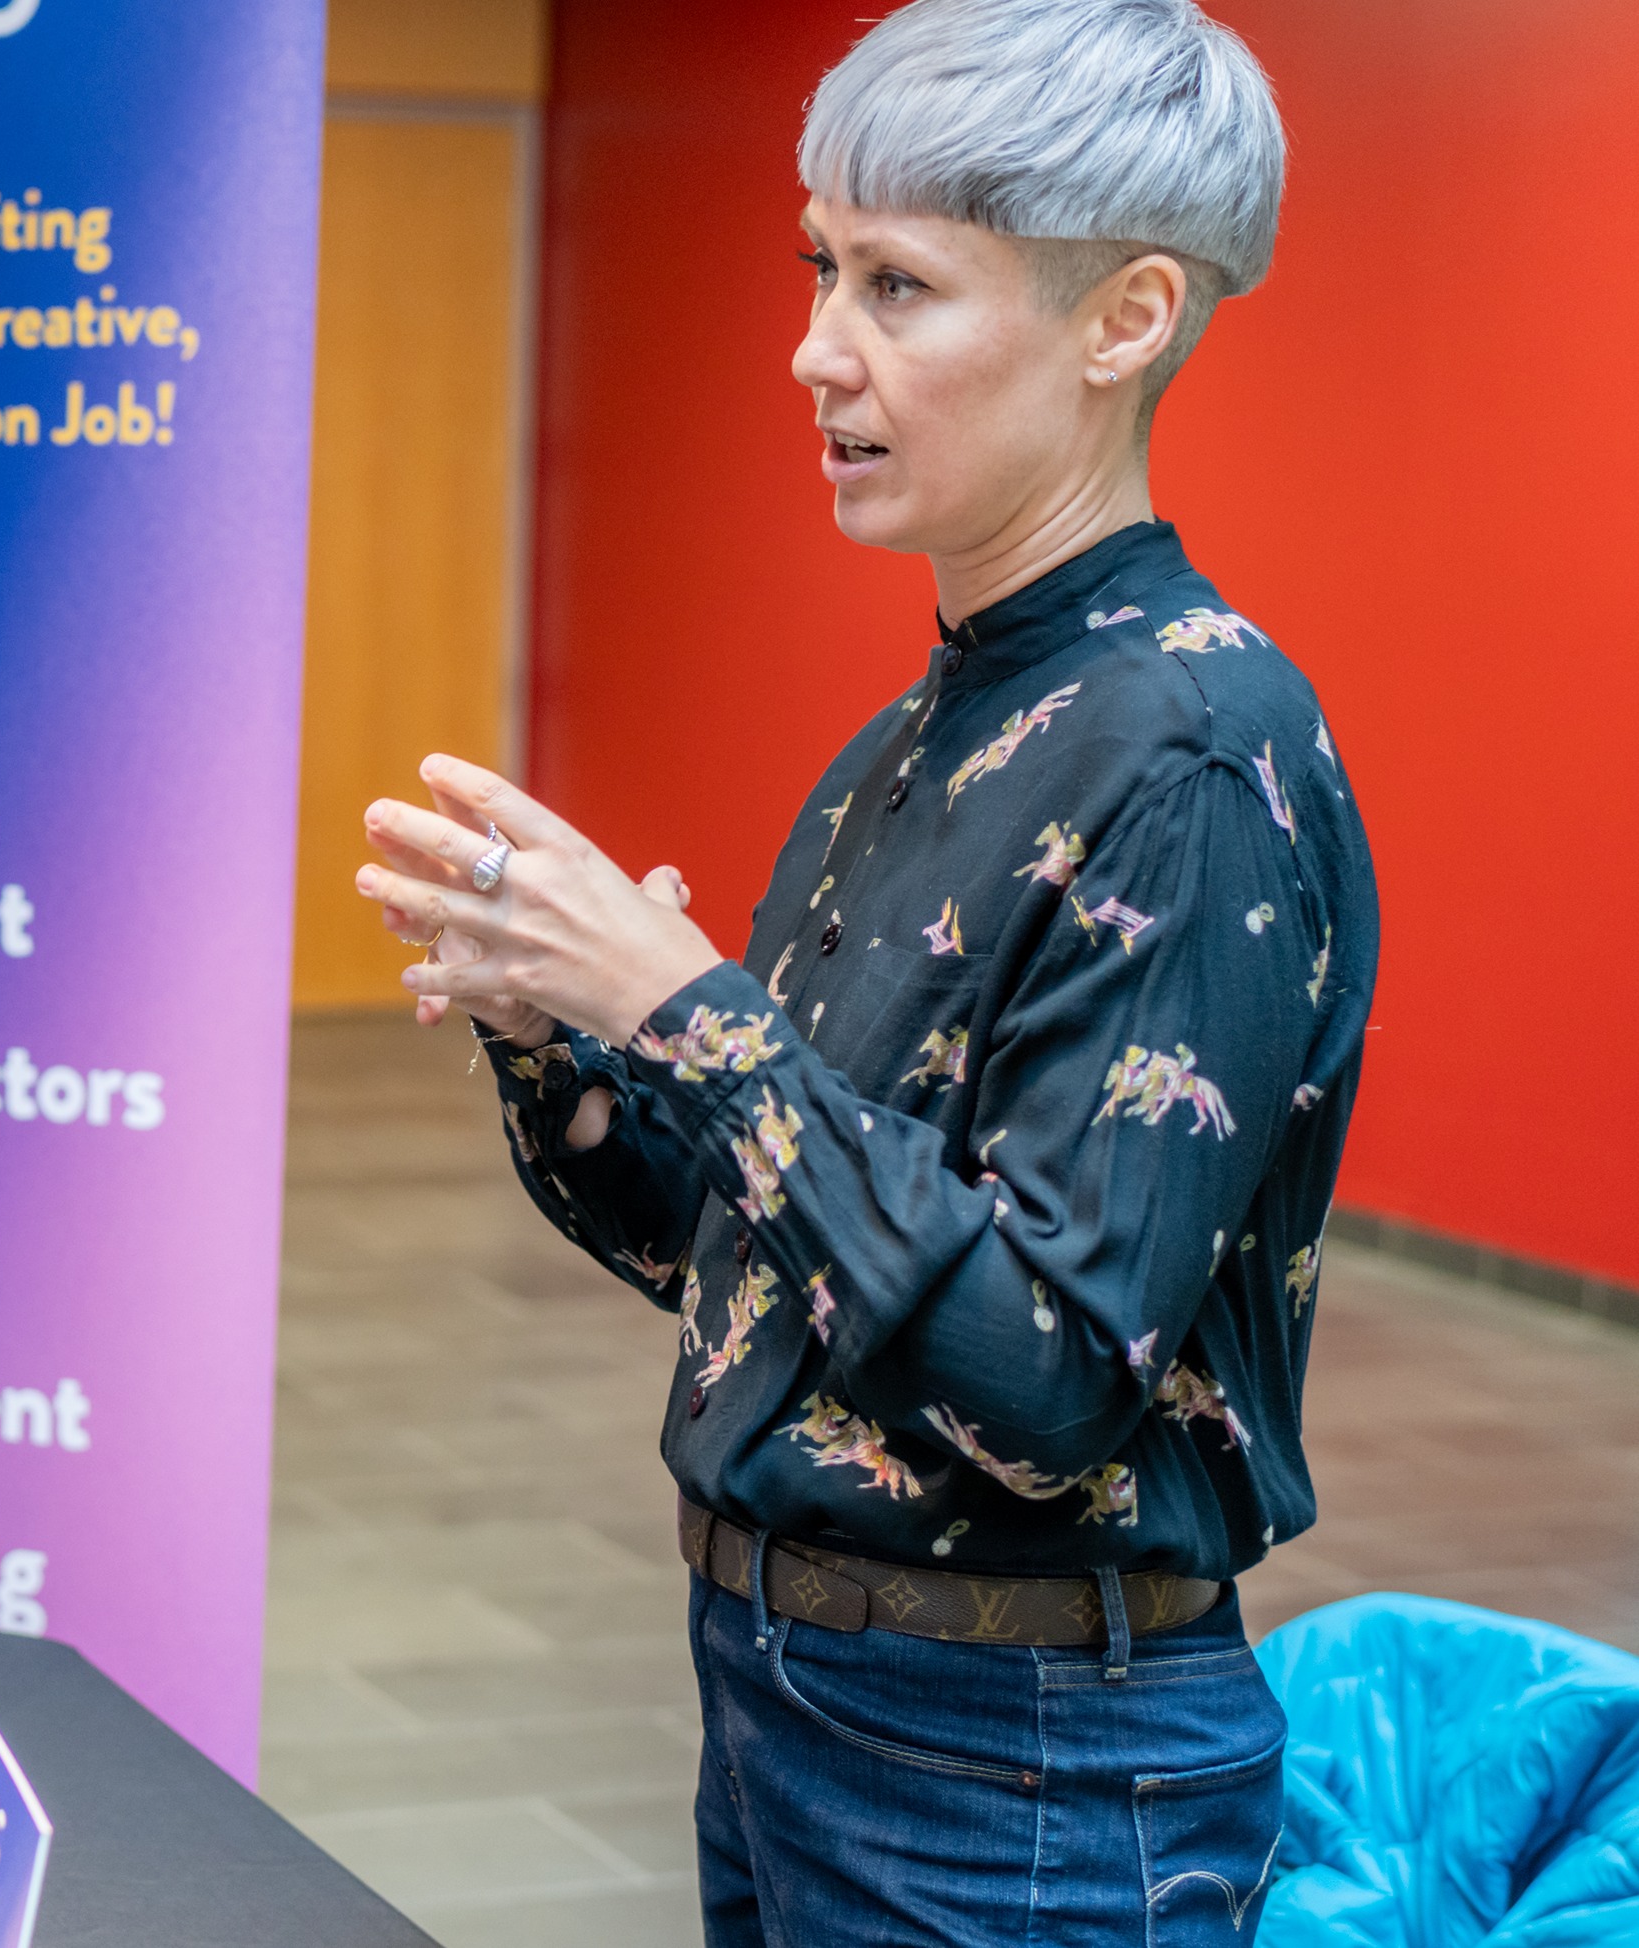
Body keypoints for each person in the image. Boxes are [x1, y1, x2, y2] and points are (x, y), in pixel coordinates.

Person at [355, 1, 1374, 1940]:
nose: (817, 346)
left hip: (1022, 1770)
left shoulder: (1190, 756)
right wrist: (562, 1046)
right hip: (802, 1704)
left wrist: (691, 1007)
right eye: (824, 267)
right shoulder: (922, 742)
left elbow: (1047, 1379)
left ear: (1126, 316)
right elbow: (769, 1275)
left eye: (899, 284)